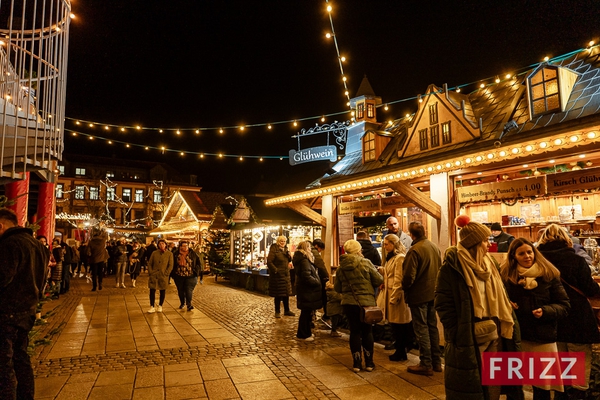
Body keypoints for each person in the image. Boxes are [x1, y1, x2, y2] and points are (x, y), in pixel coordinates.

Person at [436, 216, 522, 400]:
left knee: (494, 384)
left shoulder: (491, 264)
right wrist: (458, 331)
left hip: (495, 332)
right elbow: (443, 304)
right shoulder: (452, 268)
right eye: (484, 241)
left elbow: (501, 293)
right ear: (474, 243)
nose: (488, 244)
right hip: (469, 334)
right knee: (472, 385)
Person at [500, 238, 570, 400]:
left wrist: (545, 311)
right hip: (517, 337)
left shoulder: (548, 274)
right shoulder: (507, 277)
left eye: (529, 252)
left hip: (542, 338)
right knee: (515, 385)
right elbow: (498, 300)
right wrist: (507, 304)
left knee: (542, 386)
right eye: (522, 253)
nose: (527, 256)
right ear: (514, 256)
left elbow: (564, 305)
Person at [536, 224, 600, 399]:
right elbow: (589, 287)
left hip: (551, 317)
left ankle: (561, 394)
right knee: (578, 358)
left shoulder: (537, 260)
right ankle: (577, 393)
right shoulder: (576, 260)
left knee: (558, 361)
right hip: (577, 315)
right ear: (566, 238)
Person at [0, 208, 48, 399]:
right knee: (21, 358)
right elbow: (43, 278)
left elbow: (3, 277)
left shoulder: (8, 245)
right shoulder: (37, 245)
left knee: (4, 364)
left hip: (6, 312)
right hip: (27, 311)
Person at [334, 239, 383, 373]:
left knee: (354, 332)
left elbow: (338, 288)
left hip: (349, 303)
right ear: (358, 250)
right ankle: (369, 363)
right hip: (366, 303)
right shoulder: (365, 263)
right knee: (367, 331)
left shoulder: (341, 267)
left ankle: (356, 363)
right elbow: (379, 280)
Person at [401, 221, 442, 376]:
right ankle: (436, 362)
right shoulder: (433, 246)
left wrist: (405, 288)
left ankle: (426, 363)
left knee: (421, 329)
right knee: (432, 327)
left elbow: (408, 277)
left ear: (411, 234)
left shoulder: (414, 250)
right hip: (433, 293)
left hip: (418, 295)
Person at [377, 234, 412, 362]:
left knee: (400, 326)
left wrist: (394, 297)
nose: (385, 247)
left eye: (386, 244)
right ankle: (400, 349)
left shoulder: (400, 258)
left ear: (393, 244)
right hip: (390, 293)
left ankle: (401, 351)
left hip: (397, 297)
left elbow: (398, 279)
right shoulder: (391, 258)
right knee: (395, 325)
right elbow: (390, 274)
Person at [293, 240, 322, 341]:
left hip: (305, 290)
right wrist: (317, 282)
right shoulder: (304, 260)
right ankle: (304, 334)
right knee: (306, 313)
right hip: (307, 291)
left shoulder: (301, 259)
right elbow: (306, 275)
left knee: (306, 312)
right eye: (309, 247)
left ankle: (304, 333)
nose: (311, 249)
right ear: (306, 248)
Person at [267, 236, 295, 318]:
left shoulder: (286, 249)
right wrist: (276, 270)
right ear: (278, 241)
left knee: (286, 293)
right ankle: (277, 311)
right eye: (281, 241)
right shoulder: (274, 249)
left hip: (286, 275)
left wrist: (289, 257)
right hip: (277, 276)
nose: (282, 242)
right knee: (278, 294)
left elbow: (289, 260)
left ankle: (287, 310)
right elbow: (269, 262)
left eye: (284, 241)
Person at [171, 240, 202, 311]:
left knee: (188, 290)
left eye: (187, 246)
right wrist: (173, 274)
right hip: (179, 276)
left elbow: (198, 263)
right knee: (180, 291)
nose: (185, 247)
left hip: (190, 276)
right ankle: (182, 303)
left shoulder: (193, 253)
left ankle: (189, 304)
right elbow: (173, 264)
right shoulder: (176, 254)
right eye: (184, 246)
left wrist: (196, 272)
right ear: (180, 247)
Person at [147, 239, 174, 313]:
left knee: (162, 290)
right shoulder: (154, 253)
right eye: (160, 244)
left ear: (165, 244)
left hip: (163, 275)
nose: (161, 245)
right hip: (154, 274)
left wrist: (166, 273)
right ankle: (152, 306)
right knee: (152, 290)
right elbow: (150, 263)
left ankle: (160, 305)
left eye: (163, 243)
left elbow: (170, 265)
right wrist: (151, 272)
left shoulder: (169, 254)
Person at [311, 239, 329, 321]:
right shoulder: (314, 252)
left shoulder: (309, 250)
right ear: (316, 246)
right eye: (320, 249)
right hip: (312, 278)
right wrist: (326, 277)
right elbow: (321, 265)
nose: (320, 251)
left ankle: (311, 316)